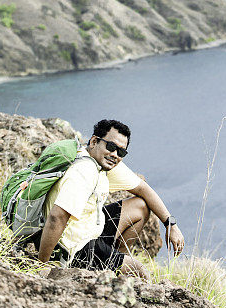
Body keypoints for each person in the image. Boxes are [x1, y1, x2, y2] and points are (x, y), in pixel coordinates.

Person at [37, 118, 185, 279]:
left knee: (140, 206)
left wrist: (171, 225)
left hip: (89, 228)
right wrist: (43, 266)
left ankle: (115, 260)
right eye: (111, 146)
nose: (115, 155)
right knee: (139, 272)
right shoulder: (83, 171)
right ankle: (114, 271)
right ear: (94, 141)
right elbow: (56, 217)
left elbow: (143, 188)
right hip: (75, 248)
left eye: (121, 152)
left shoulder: (102, 162)